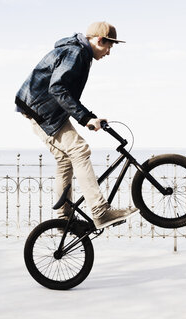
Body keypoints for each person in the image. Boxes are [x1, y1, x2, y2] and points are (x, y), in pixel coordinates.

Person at [15, 21, 138, 229]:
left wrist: (89, 117)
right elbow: (58, 88)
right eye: (109, 46)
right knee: (80, 150)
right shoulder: (77, 53)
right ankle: (100, 211)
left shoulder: (77, 52)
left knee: (65, 159)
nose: (109, 52)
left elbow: (62, 92)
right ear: (99, 40)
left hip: (41, 110)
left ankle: (64, 219)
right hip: (43, 110)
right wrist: (85, 118)